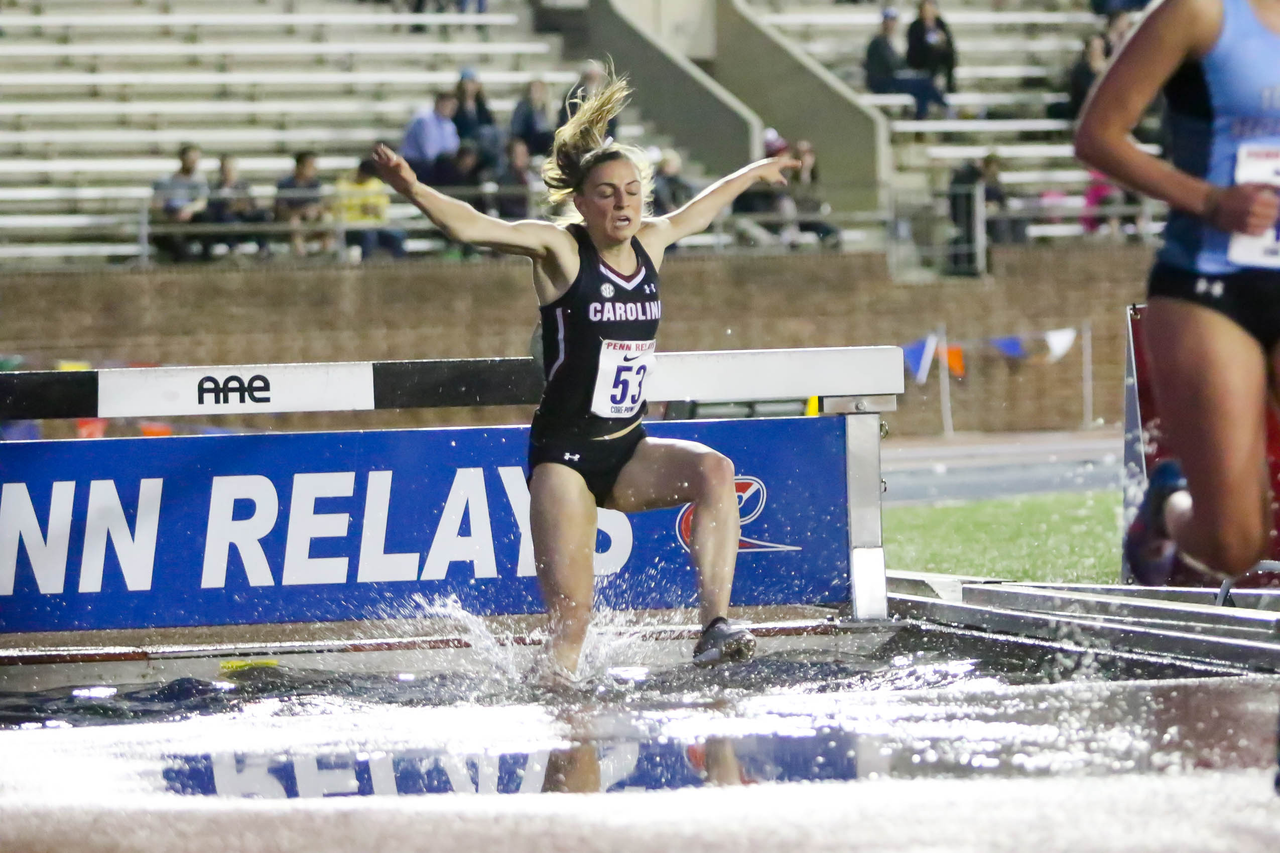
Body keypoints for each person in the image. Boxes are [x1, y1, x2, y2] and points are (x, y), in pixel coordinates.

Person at [370, 70, 800, 680]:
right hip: (565, 458)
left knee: (715, 470)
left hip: (627, 449)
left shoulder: (654, 241)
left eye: (631, 191)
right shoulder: (561, 251)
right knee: (572, 621)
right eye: (606, 193)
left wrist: (757, 172)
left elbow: (704, 208)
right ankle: (558, 719)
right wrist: (413, 187)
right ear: (581, 202)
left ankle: (713, 626)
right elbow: (473, 227)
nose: (622, 203)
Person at [1074, 0, 1280, 589]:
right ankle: (1167, 505)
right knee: (1233, 543)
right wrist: (1213, 201)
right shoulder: (1197, 13)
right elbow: (1098, 137)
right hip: (1211, 284)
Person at [864, 8, 948, 120]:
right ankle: (944, 106)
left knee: (923, 88)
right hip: (884, 82)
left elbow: (897, 64)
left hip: (890, 78)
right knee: (924, 83)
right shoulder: (879, 42)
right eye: (889, 20)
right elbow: (891, 65)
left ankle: (921, 120)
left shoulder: (885, 41)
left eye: (893, 20)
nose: (892, 24)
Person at [336, 158, 406, 262]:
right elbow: (339, 210)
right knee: (369, 235)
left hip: (375, 225)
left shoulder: (376, 185)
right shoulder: (343, 186)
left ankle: (400, 266)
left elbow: (382, 209)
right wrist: (360, 208)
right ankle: (367, 267)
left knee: (398, 235)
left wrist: (374, 210)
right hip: (352, 228)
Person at [150, 143, 209, 263]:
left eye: (196, 159)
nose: (194, 162)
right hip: (170, 217)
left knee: (207, 219)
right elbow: (157, 203)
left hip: (191, 218)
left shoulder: (199, 181)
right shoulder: (166, 181)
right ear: (182, 159)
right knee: (169, 232)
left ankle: (205, 259)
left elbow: (202, 202)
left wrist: (188, 210)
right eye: (191, 159)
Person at [203, 155, 270, 259]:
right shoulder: (215, 187)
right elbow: (213, 207)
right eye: (225, 169)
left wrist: (238, 206)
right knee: (227, 217)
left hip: (244, 216)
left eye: (231, 169)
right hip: (224, 220)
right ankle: (234, 250)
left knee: (263, 215)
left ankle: (264, 249)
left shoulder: (243, 186)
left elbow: (251, 204)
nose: (228, 172)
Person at [275, 150, 334, 257]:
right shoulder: (285, 184)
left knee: (327, 219)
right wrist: (301, 212)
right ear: (300, 166)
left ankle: (325, 255)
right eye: (311, 165)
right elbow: (280, 210)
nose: (314, 169)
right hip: (291, 221)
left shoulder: (315, 184)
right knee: (295, 222)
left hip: (312, 220)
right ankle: (301, 257)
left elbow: (319, 205)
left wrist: (316, 210)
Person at [401, 92, 460, 184]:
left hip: (436, 165)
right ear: (438, 103)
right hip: (416, 163)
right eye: (449, 106)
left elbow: (453, 148)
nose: (452, 110)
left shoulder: (449, 124)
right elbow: (429, 152)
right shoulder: (424, 120)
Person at [558, 60, 619, 141]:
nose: (595, 81)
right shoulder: (573, 95)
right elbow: (566, 119)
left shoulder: (606, 96)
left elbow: (612, 123)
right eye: (591, 78)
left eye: (598, 77)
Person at [453, 68, 501, 169]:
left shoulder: (480, 105)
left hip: (482, 140)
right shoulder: (456, 104)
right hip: (465, 138)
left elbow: (490, 122)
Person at [906, 0, 957, 94]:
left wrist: (942, 40)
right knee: (934, 53)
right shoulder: (915, 26)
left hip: (938, 55)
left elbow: (949, 41)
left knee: (948, 54)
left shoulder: (940, 24)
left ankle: (950, 85)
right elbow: (914, 46)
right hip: (920, 57)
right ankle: (930, 83)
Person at [494, 137, 540, 220]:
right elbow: (508, 207)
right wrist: (528, 214)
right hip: (515, 222)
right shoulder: (505, 179)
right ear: (511, 156)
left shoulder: (532, 174)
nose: (525, 157)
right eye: (521, 154)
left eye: (526, 153)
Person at [511, 79, 556, 158]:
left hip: (545, 142)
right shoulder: (523, 107)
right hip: (529, 139)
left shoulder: (547, 108)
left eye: (541, 90)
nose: (538, 93)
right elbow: (517, 130)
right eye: (535, 89)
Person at [651, 149, 695, 217]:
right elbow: (661, 194)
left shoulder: (678, 181)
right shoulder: (657, 180)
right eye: (670, 165)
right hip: (658, 213)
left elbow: (688, 192)